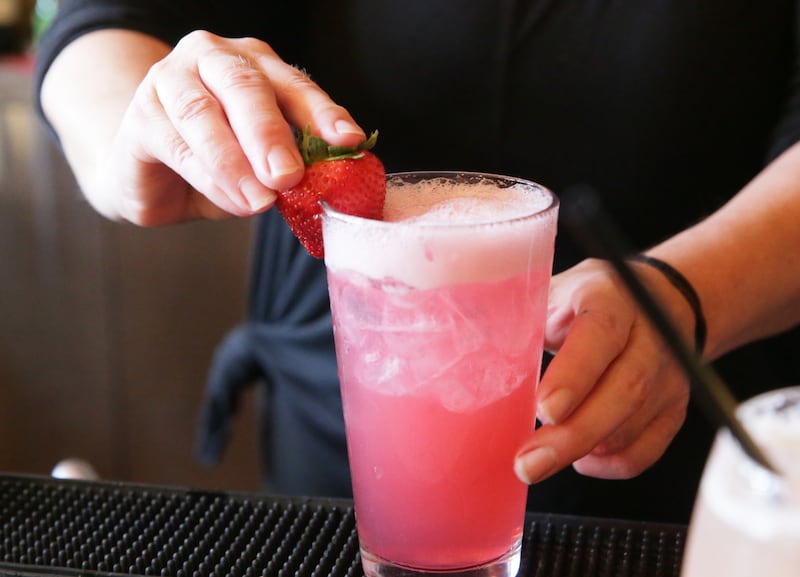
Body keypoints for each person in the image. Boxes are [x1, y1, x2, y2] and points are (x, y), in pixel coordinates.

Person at [34, 1, 800, 524]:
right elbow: (102, 29)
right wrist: (133, 137)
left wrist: (695, 290)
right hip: (336, 439)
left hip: (693, 450)